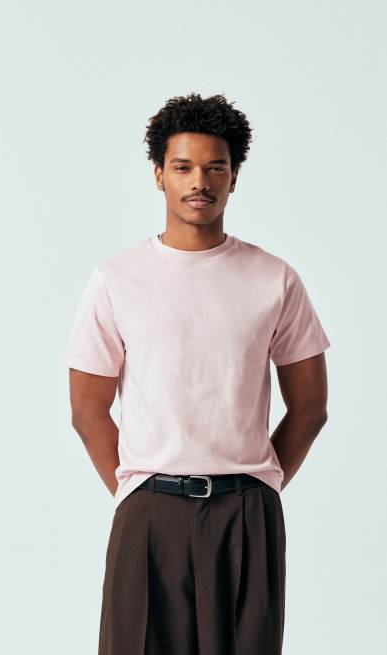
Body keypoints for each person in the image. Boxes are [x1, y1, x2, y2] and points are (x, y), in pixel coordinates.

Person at [63, 92, 330, 655]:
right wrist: (137, 491)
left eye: (216, 168)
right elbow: (87, 410)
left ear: (234, 177)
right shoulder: (116, 279)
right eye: (183, 167)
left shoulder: (274, 279)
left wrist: (258, 486)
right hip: (149, 512)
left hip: (246, 513)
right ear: (158, 174)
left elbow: (310, 407)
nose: (199, 182)